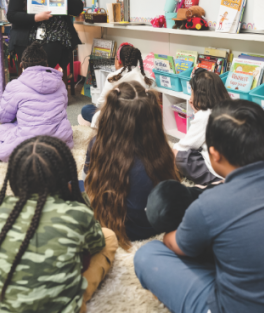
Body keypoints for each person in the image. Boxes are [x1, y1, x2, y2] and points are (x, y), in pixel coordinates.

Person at [135, 99, 264, 313]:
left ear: (214, 154)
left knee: (148, 254)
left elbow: (177, 246)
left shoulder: (211, 203)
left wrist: (171, 232)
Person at [0, 136, 118, 313]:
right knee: (109, 237)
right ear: (66, 177)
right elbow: (96, 243)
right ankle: (73, 294)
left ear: (14, 177)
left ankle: (3, 283)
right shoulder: (77, 213)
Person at [83, 81, 180, 249]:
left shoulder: (98, 144)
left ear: (110, 115)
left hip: (115, 227)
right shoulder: (161, 147)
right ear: (152, 116)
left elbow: (87, 183)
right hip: (156, 226)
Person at [0, 41, 73, 162]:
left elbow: (2, 117)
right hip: (59, 138)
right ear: (46, 64)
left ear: (21, 65)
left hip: (29, 141)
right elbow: (62, 109)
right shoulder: (60, 83)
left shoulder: (15, 85)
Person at [6, 0, 84, 81]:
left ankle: (41, 85)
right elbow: (12, 15)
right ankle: (37, 85)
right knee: (30, 59)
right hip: (26, 35)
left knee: (47, 57)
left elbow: (78, 7)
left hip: (54, 35)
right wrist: (36, 17)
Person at [173, 69, 230, 185]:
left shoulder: (204, 115)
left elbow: (184, 145)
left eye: (192, 92)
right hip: (230, 167)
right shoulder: (228, 108)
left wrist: (173, 150)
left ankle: (213, 182)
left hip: (217, 174)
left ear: (200, 95)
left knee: (178, 155)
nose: (190, 97)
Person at [79, 43, 154, 128]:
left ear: (119, 61)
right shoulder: (145, 78)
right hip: (137, 121)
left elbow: (102, 103)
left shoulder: (113, 77)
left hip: (117, 121)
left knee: (86, 109)